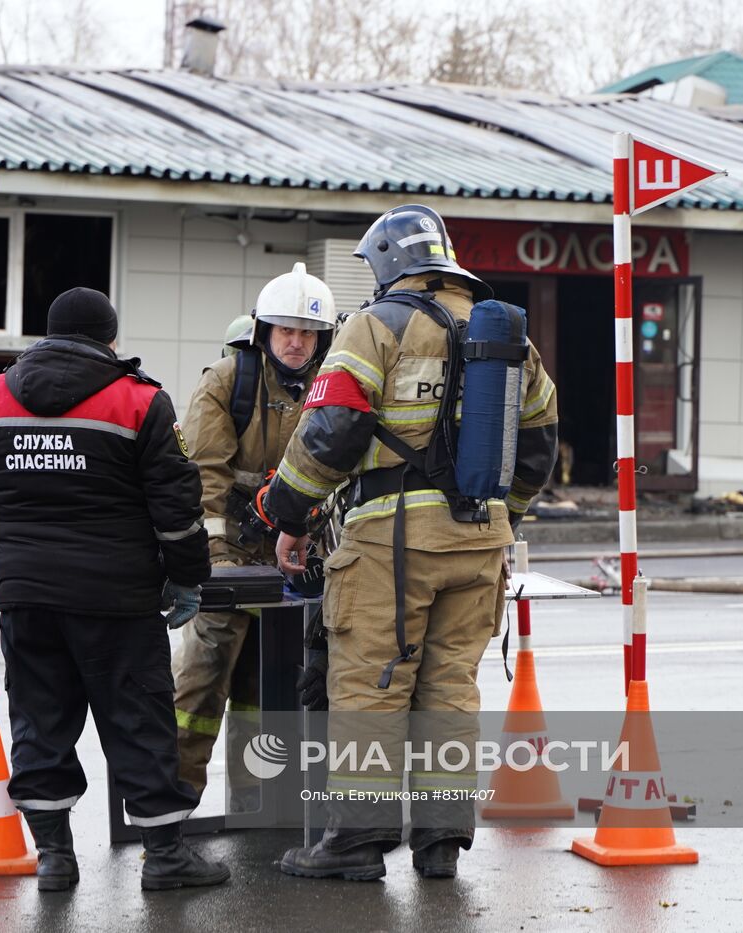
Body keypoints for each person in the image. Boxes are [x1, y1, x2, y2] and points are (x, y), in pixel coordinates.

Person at [261, 205, 559, 881]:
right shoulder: (510, 335)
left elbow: (331, 430)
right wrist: (498, 513)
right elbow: (539, 442)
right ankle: (440, 843)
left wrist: (288, 513)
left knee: (373, 682)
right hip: (482, 538)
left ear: (392, 260)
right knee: (451, 688)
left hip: (391, 541)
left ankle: (356, 843)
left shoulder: (378, 325)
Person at [0, 287, 229, 892]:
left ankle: (54, 859)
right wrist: (186, 576)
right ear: (110, 339)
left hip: (27, 598)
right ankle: (166, 858)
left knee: (40, 722)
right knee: (139, 722)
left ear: (47, 335)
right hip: (117, 601)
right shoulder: (140, 402)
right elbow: (178, 508)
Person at [171, 264, 336, 807]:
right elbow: (205, 475)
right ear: (263, 331)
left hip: (304, 555)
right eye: (285, 330)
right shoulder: (228, 380)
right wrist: (217, 559)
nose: (296, 342)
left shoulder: (334, 383)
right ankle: (169, 807)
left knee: (270, 686)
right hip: (235, 553)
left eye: (308, 332)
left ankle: (259, 802)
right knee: (202, 675)